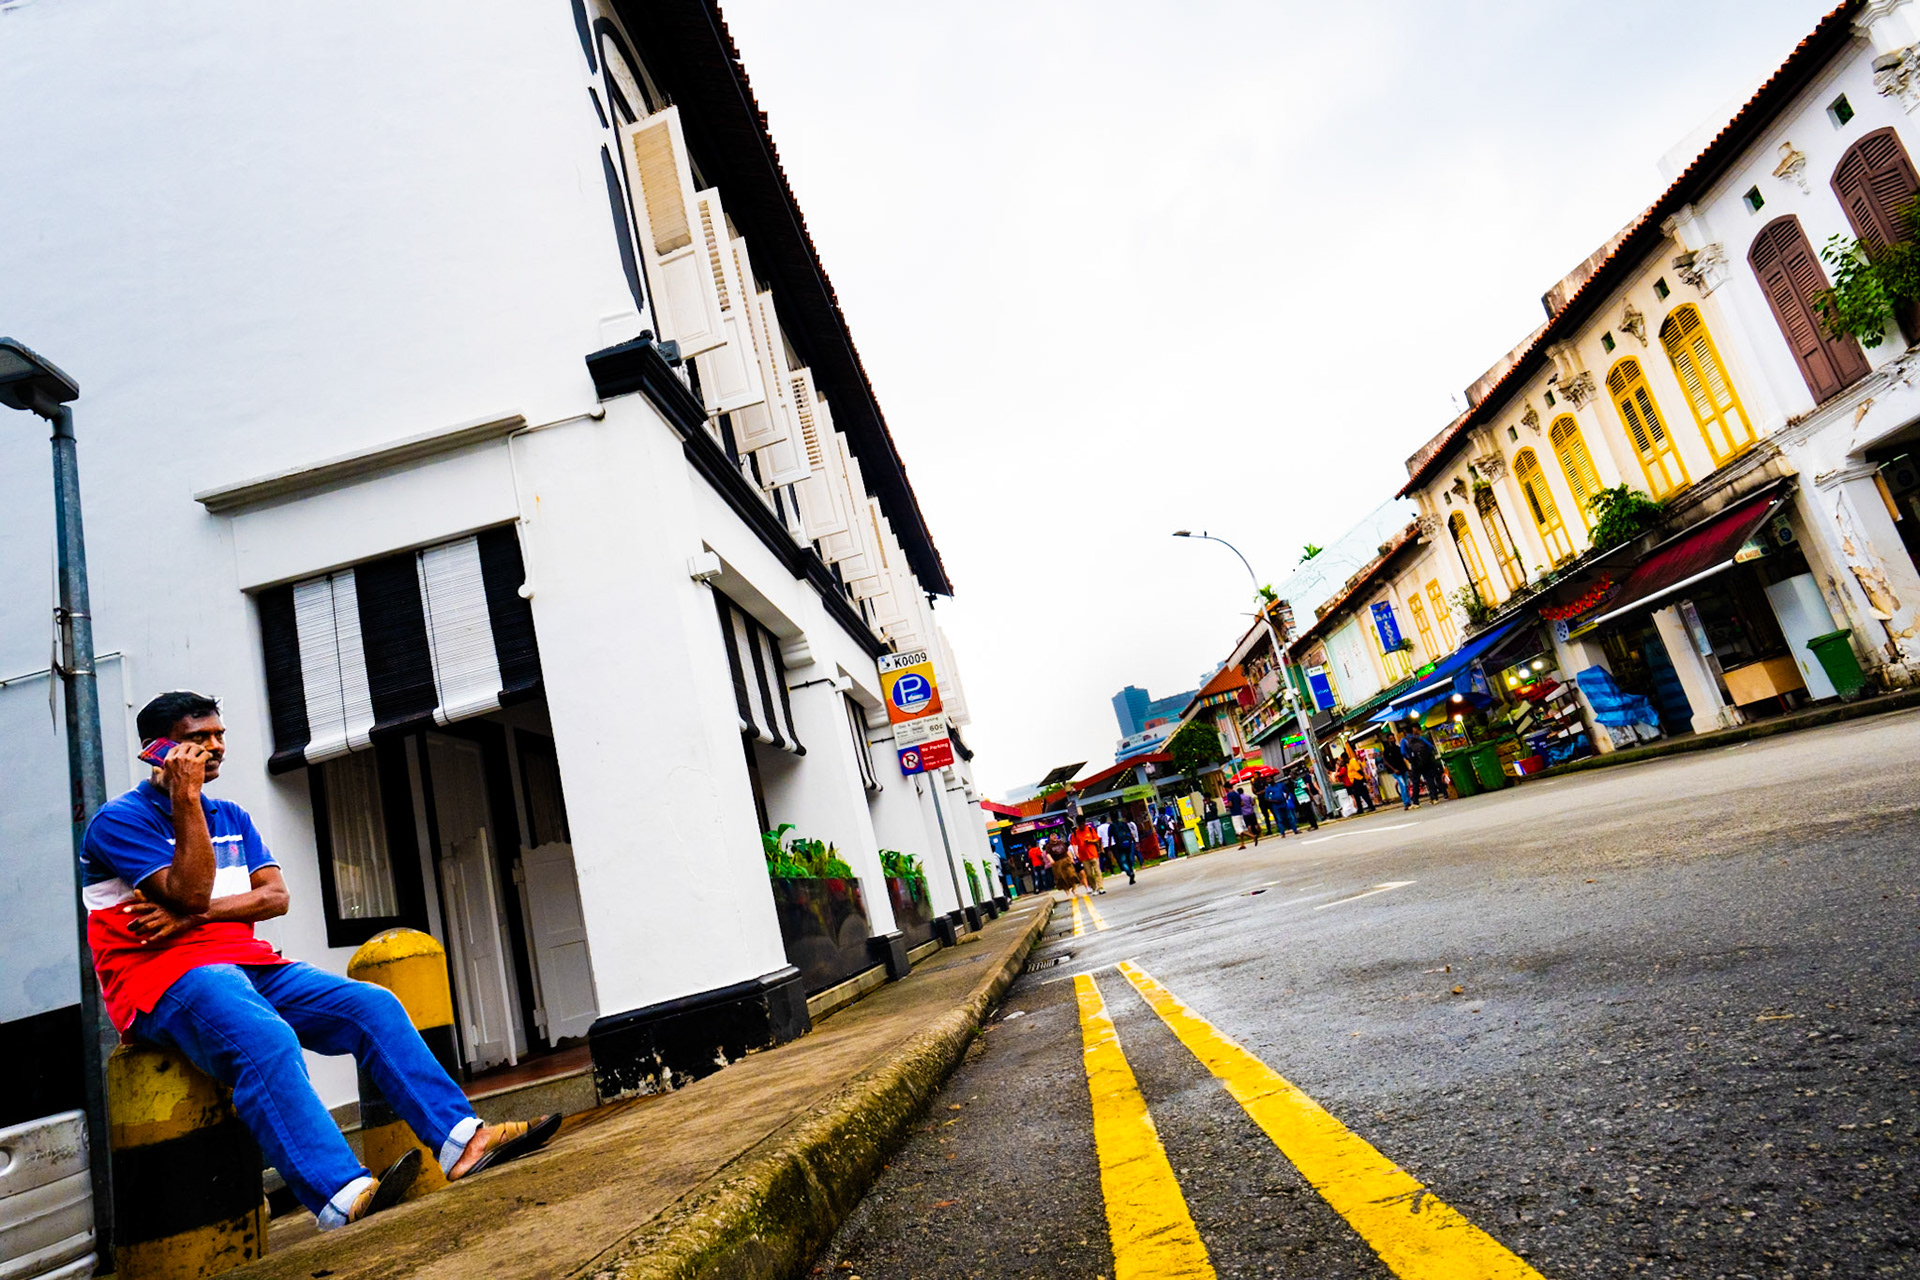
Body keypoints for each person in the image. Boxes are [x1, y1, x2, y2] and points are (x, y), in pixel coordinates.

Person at [83, 692, 560, 1232]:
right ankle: (342, 1194)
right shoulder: (118, 822)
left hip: (247, 965)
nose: (215, 748)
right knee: (266, 1039)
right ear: (159, 751)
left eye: (219, 735)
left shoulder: (232, 816)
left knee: (371, 1006)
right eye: (199, 739)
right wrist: (186, 803)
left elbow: (274, 897)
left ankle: (462, 1141)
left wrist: (196, 916)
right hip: (161, 982)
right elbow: (190, 891)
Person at [1379, 731, 1414, 810]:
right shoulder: (1387, 750)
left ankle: (1409, 801)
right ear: (1388, 740)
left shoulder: (1398, 748)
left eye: (1393, 738)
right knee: (1403, 785)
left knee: (1406, 785)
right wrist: (1394, 769)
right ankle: (1406, 803)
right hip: (1395, 771)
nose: (1393, 739)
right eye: (1391, 738)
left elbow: (1402, 759)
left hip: (1403, 769)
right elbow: (1385, 761)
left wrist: (1408, 769)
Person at [1109, 814, 1139, 884]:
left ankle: (1129, 872)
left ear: (1111, 818)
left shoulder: (1111, 827)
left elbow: (1110, 838)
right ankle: (1131, 872)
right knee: (1129, 859)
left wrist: (1109, 849)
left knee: (1123, 861)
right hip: (1128, 843)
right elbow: (1130, 833)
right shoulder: (1124, 824)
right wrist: (1135, 842)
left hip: (1119, 845)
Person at [1076, 824, 1105, 894]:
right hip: (1084, 856)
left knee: (1097, 871)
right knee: (1089, 874)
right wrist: (1075, 853)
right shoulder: (1075, 833)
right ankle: (1094, 888)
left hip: (1093, 854)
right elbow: (1074, 844)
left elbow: (1097, 839)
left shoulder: (1089, 829)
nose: (1082, 826)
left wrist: (1090, 841)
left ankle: (1100, 887)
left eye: (1082, 824)